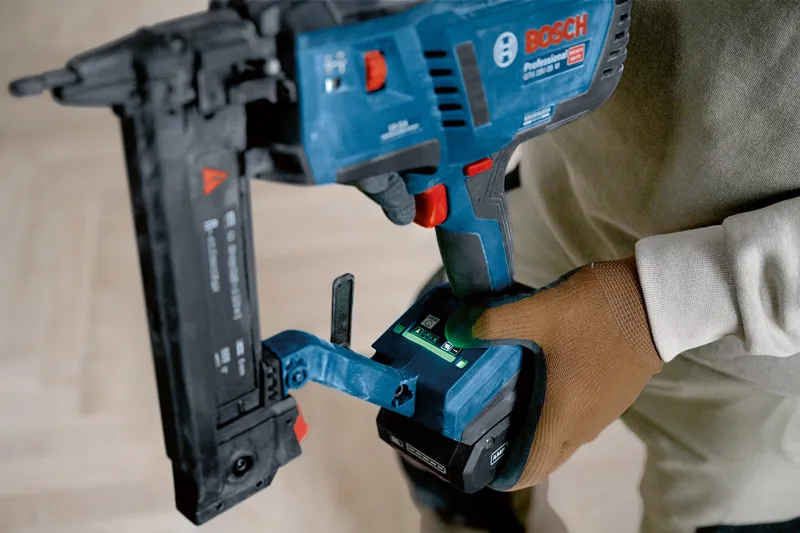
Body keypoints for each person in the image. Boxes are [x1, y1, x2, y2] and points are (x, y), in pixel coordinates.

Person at [367, 2, 800, 532]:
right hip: (569, 201)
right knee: (435, 421)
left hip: (766, 355)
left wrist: (650, 310)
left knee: (728, 512)